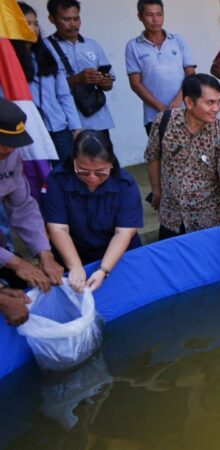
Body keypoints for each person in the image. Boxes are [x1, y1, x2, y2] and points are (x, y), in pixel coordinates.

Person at [144, 74, 220, 246]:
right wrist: (156, 191)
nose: (217, 108)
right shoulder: (164, 122)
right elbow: (153, 156)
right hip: (171, 219)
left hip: (207, 222)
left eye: (219, 101)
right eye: (210, 102)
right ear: (189, 102)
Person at [41, 131, 142, 293]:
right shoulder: (57, 180)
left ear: (111, 164)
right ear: (73, 162)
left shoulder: (125, 184)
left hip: (118, 255)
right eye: (83, 171)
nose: (92, 178)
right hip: (74, 253)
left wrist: (103, 270)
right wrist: (75, 266)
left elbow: (123, 232)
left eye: (101, 172)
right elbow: (58, 228)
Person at [0, 99, 64, 326]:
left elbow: (23, 206)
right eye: (3, 142)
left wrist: (44, 253)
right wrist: (16, 263)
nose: (9, 149)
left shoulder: (11, 156)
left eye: (13, 143)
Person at [10, 2, 78, 199]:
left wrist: (75, 126)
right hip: (30, 130)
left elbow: (64, 95)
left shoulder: (46, 52)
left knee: (67, 176)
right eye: (26, 23)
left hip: (58, 127)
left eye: (34, 23)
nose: (32, 28)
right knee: (38, 179)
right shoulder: (8, 61)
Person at [125, 0, 196, 135]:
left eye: (159, 14)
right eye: (149, 15)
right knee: (160, 155)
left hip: (185, 111)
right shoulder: (133, 46)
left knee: (190, 155)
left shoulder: (177, 41)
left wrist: (179, 98)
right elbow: (135, 84)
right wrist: (160, 107)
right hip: (154, 116)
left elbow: (191, 73)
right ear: (140, 16)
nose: (155, 19)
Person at [46, 0, 115, 136]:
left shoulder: (92, 45)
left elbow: (109, 85)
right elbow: (45, 88)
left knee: (103, 157)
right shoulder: (45, 47)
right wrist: (77, 79)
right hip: (64, 122)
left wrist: (105, 82)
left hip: (97, 119)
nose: (73, 24)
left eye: (76, 19)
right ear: (52, 19)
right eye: (66, 19)